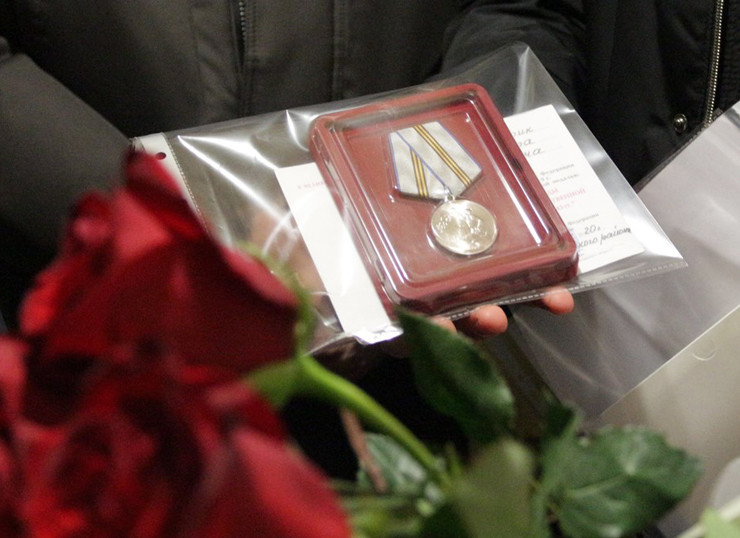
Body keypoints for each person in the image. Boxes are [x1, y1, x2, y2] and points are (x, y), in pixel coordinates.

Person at [0, 0, 580, 331]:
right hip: (96, 317)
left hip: (424, 330)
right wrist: (156, 223)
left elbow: (518, 7)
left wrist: (469, 162)